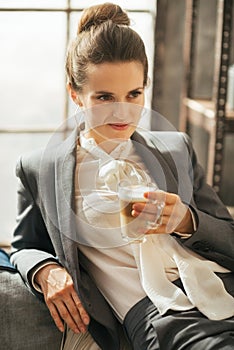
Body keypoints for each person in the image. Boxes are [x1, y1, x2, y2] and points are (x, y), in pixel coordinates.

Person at [10, 2, 234, 350]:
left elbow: (229, 238)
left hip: (222, 285)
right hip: (163, 315)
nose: (123, 111)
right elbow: (25, 245)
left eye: (134, 94)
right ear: (75, 95)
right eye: (104, 97)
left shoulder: (176, 150)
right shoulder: (41, 168)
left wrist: (186, 220)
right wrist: (45, 271)